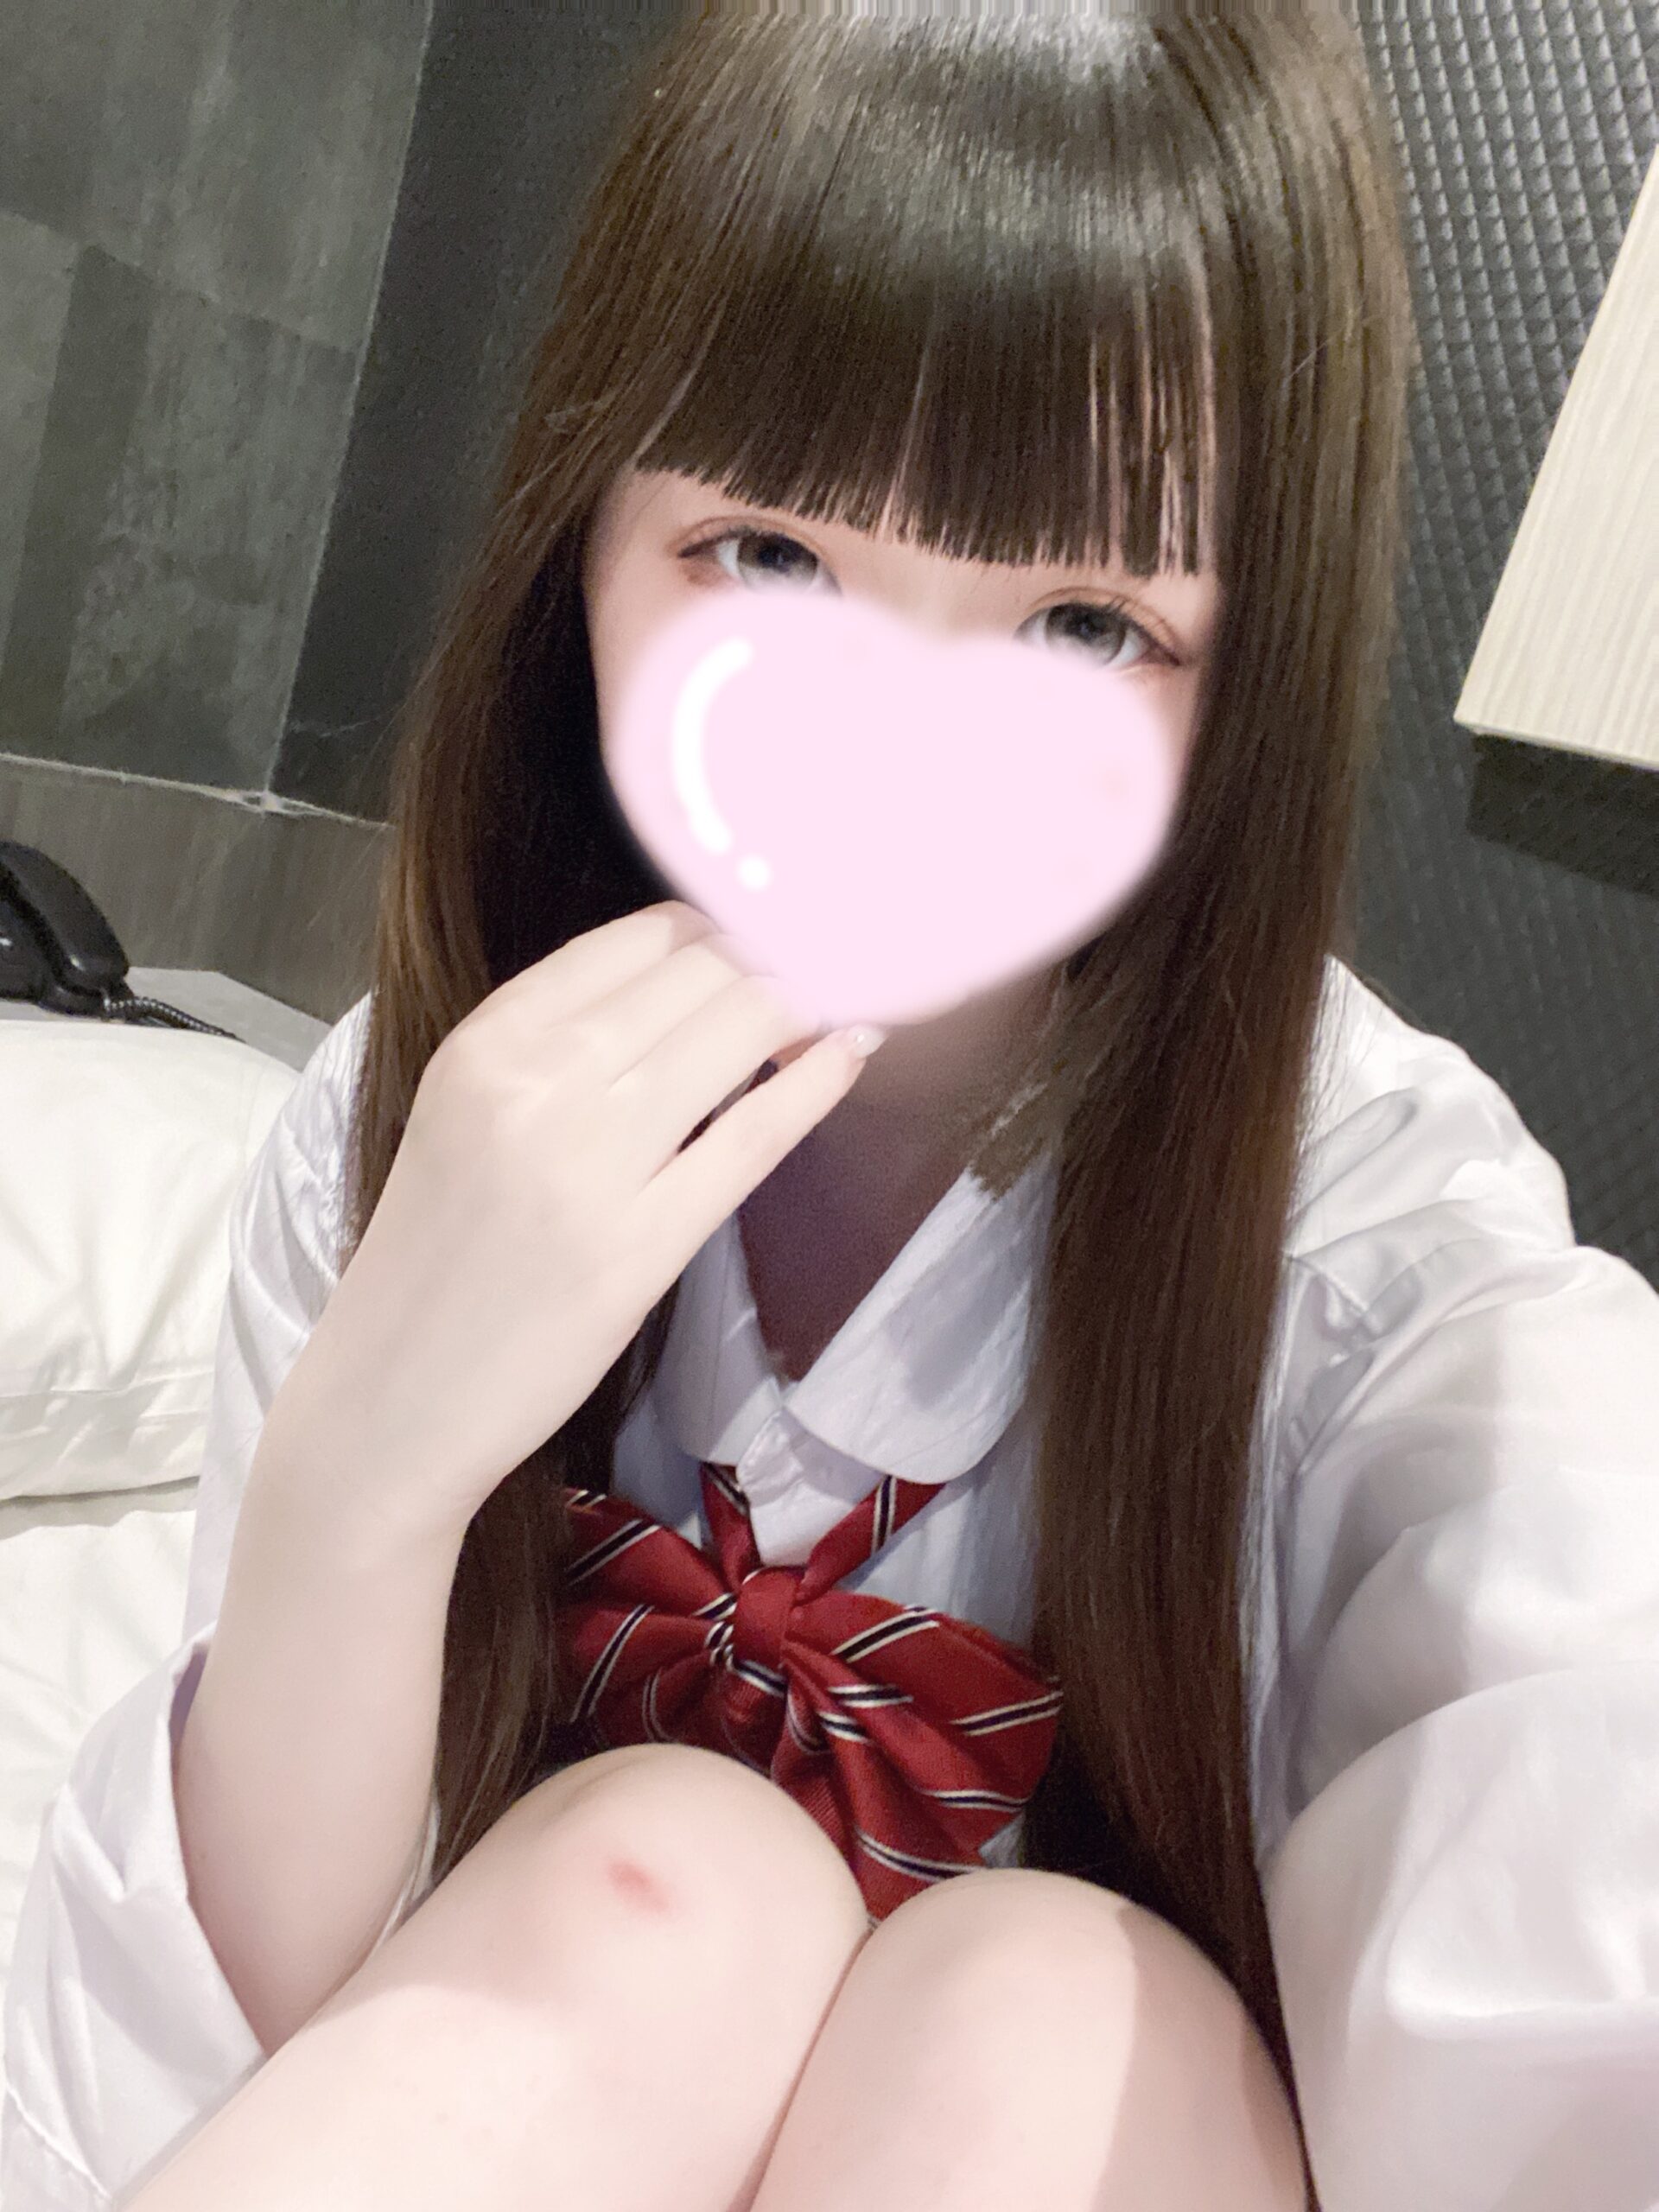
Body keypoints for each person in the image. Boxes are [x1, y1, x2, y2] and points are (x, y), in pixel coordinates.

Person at [5, 6, 1658, 2209]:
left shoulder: (1362, 1248)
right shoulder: (425, 1104)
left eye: (1082, 621)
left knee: (1051, 1993)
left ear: (1246, 678)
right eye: (771, 555)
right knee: (665, 1869)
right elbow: (225, 2029)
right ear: (584, 539)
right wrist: (365, 1473)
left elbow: (1576, 1798)